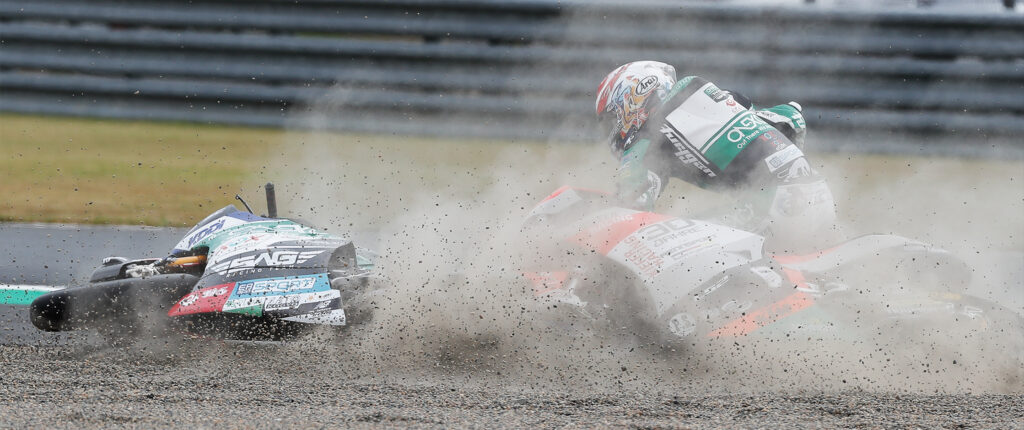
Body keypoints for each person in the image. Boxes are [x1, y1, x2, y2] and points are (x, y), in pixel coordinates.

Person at [595, 61, 839, 252]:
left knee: (667, 242)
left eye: (613, 119)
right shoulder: (717, 97)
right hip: (818, 194)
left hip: (770, 206)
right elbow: (791, 117)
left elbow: (631, 211)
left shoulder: (647, 137)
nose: (613, 129)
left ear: (630, 101)